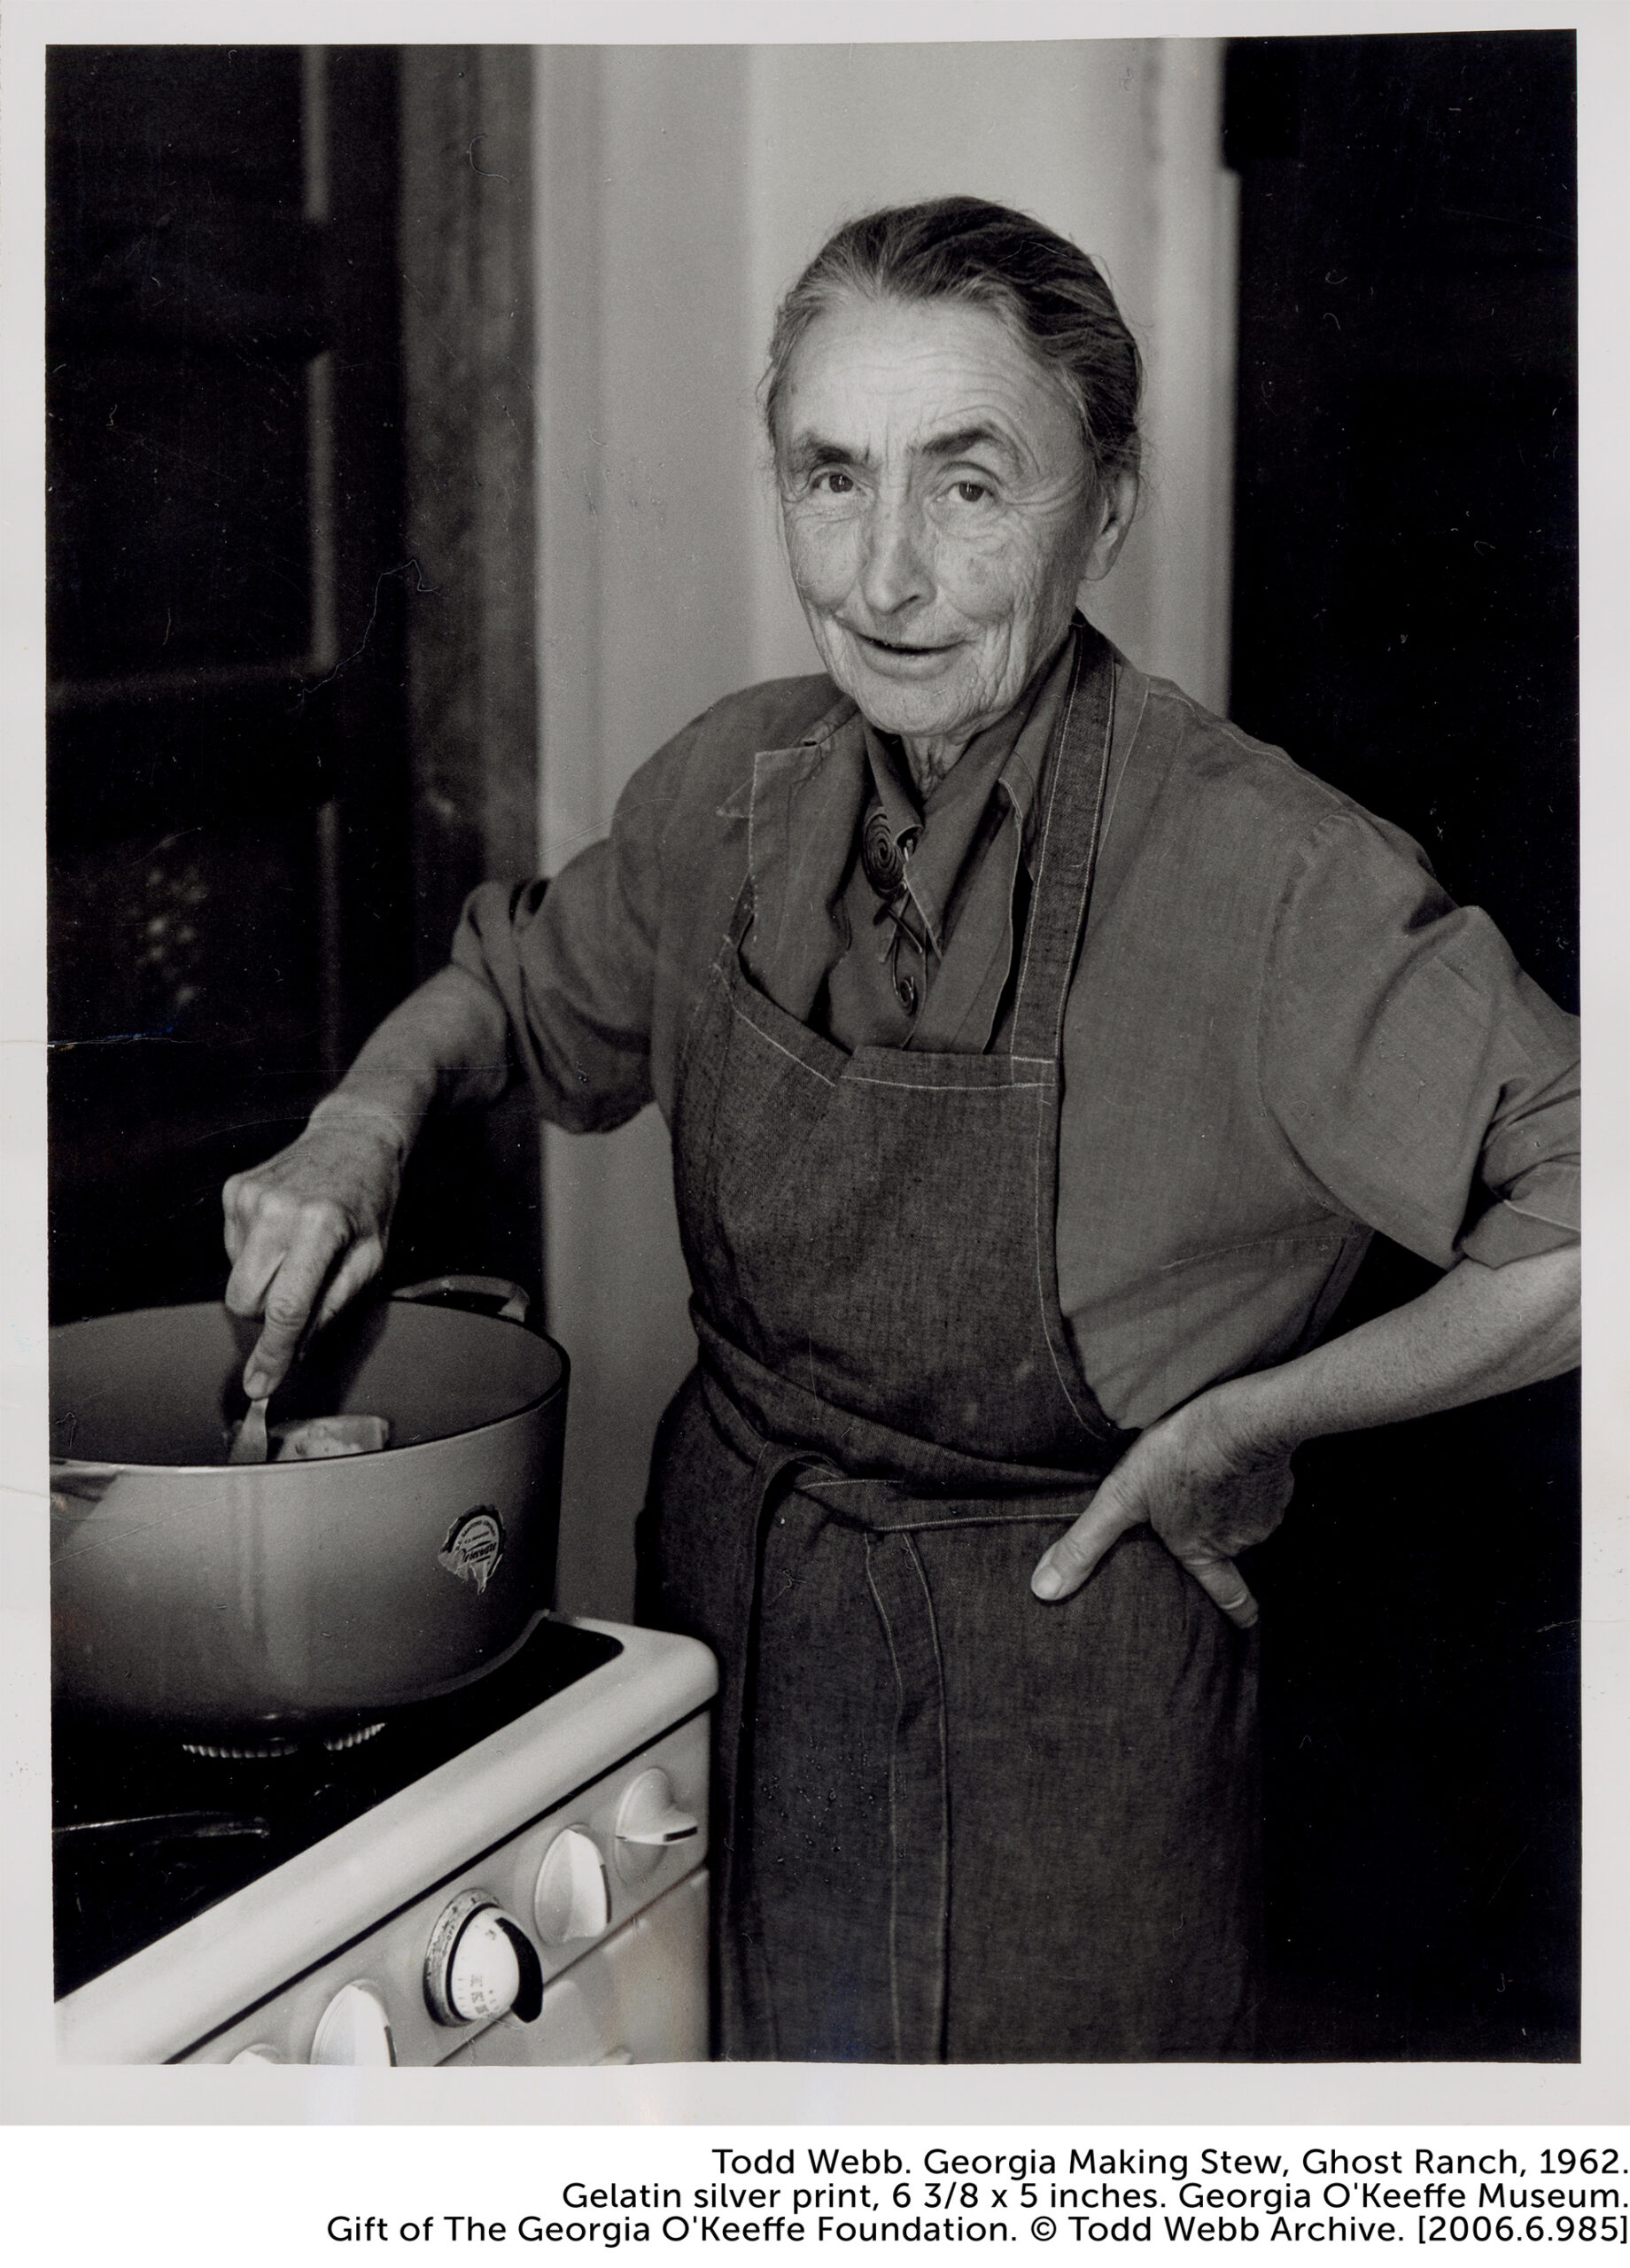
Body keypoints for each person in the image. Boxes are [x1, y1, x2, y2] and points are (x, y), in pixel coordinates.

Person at [222, 198, 1580, 2062]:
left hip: (1062, 1717)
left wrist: (1241, 1419)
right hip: (722, 1657)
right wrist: (355, 1124)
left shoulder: (1267, 877)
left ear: (1101, 509)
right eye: (828, 476)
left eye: (965, 487)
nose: (880, 578)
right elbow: (514, 995)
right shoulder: (728, 791)